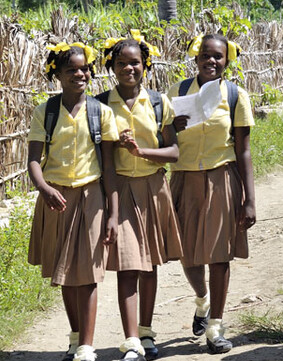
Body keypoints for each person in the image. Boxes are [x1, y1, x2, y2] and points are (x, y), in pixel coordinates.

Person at [27, 41, 119, 361]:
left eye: (84, 69)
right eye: (71, 70)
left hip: (92, 197)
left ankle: (86, 347)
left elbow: (109, 167)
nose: (79, 74)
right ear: (58, 75)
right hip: (57, 199)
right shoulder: (46, 112)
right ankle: (75, 335)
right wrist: (44, 188)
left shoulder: (101, 113)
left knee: (89, 272)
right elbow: (34, 161)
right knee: (66, 272)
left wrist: (112, 213)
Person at [167, 33, 256, 354]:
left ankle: (216, 326)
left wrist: (249, 200)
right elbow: (163, 142)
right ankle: (202, 300)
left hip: (222, 179)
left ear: (227, 61)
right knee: (188, 254)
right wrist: (171, 128)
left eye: (218, 56)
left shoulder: (235, 96)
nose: (211, 61)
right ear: (196, 58)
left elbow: (244, 151)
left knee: (219, 255)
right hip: (184, 179)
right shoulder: (176, 93)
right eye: (205, 55)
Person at [98, 32, 184, 361]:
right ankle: (131, 339)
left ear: (145, 65)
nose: (128, 68)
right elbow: (101, 158)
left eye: (135, 62)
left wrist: (140, 150)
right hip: (119, 190)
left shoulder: (159, 103)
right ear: (112, 67)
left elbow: (174, 152)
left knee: (149, 266)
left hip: (153, 188)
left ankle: (147, 333)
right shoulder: (102, 104)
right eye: (121, 63)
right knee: (127, 266)